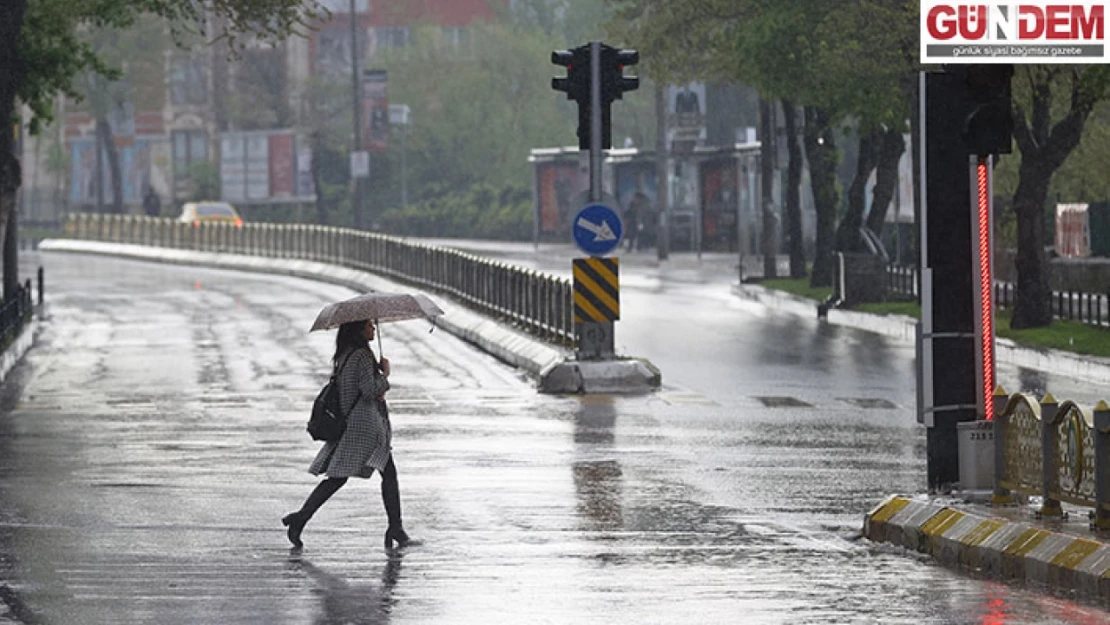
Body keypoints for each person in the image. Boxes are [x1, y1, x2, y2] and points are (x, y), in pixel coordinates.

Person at [283, 318, 416, 551]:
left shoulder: (344, 355)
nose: (373, 328)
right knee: (385, 474)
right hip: (365, 426)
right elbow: (368, 390)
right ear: (358, 329)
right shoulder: (363, 356)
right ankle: (396, 528)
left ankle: (301, 518)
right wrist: (385, 375)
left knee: (341, 476)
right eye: (368, 326)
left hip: (353, 423)